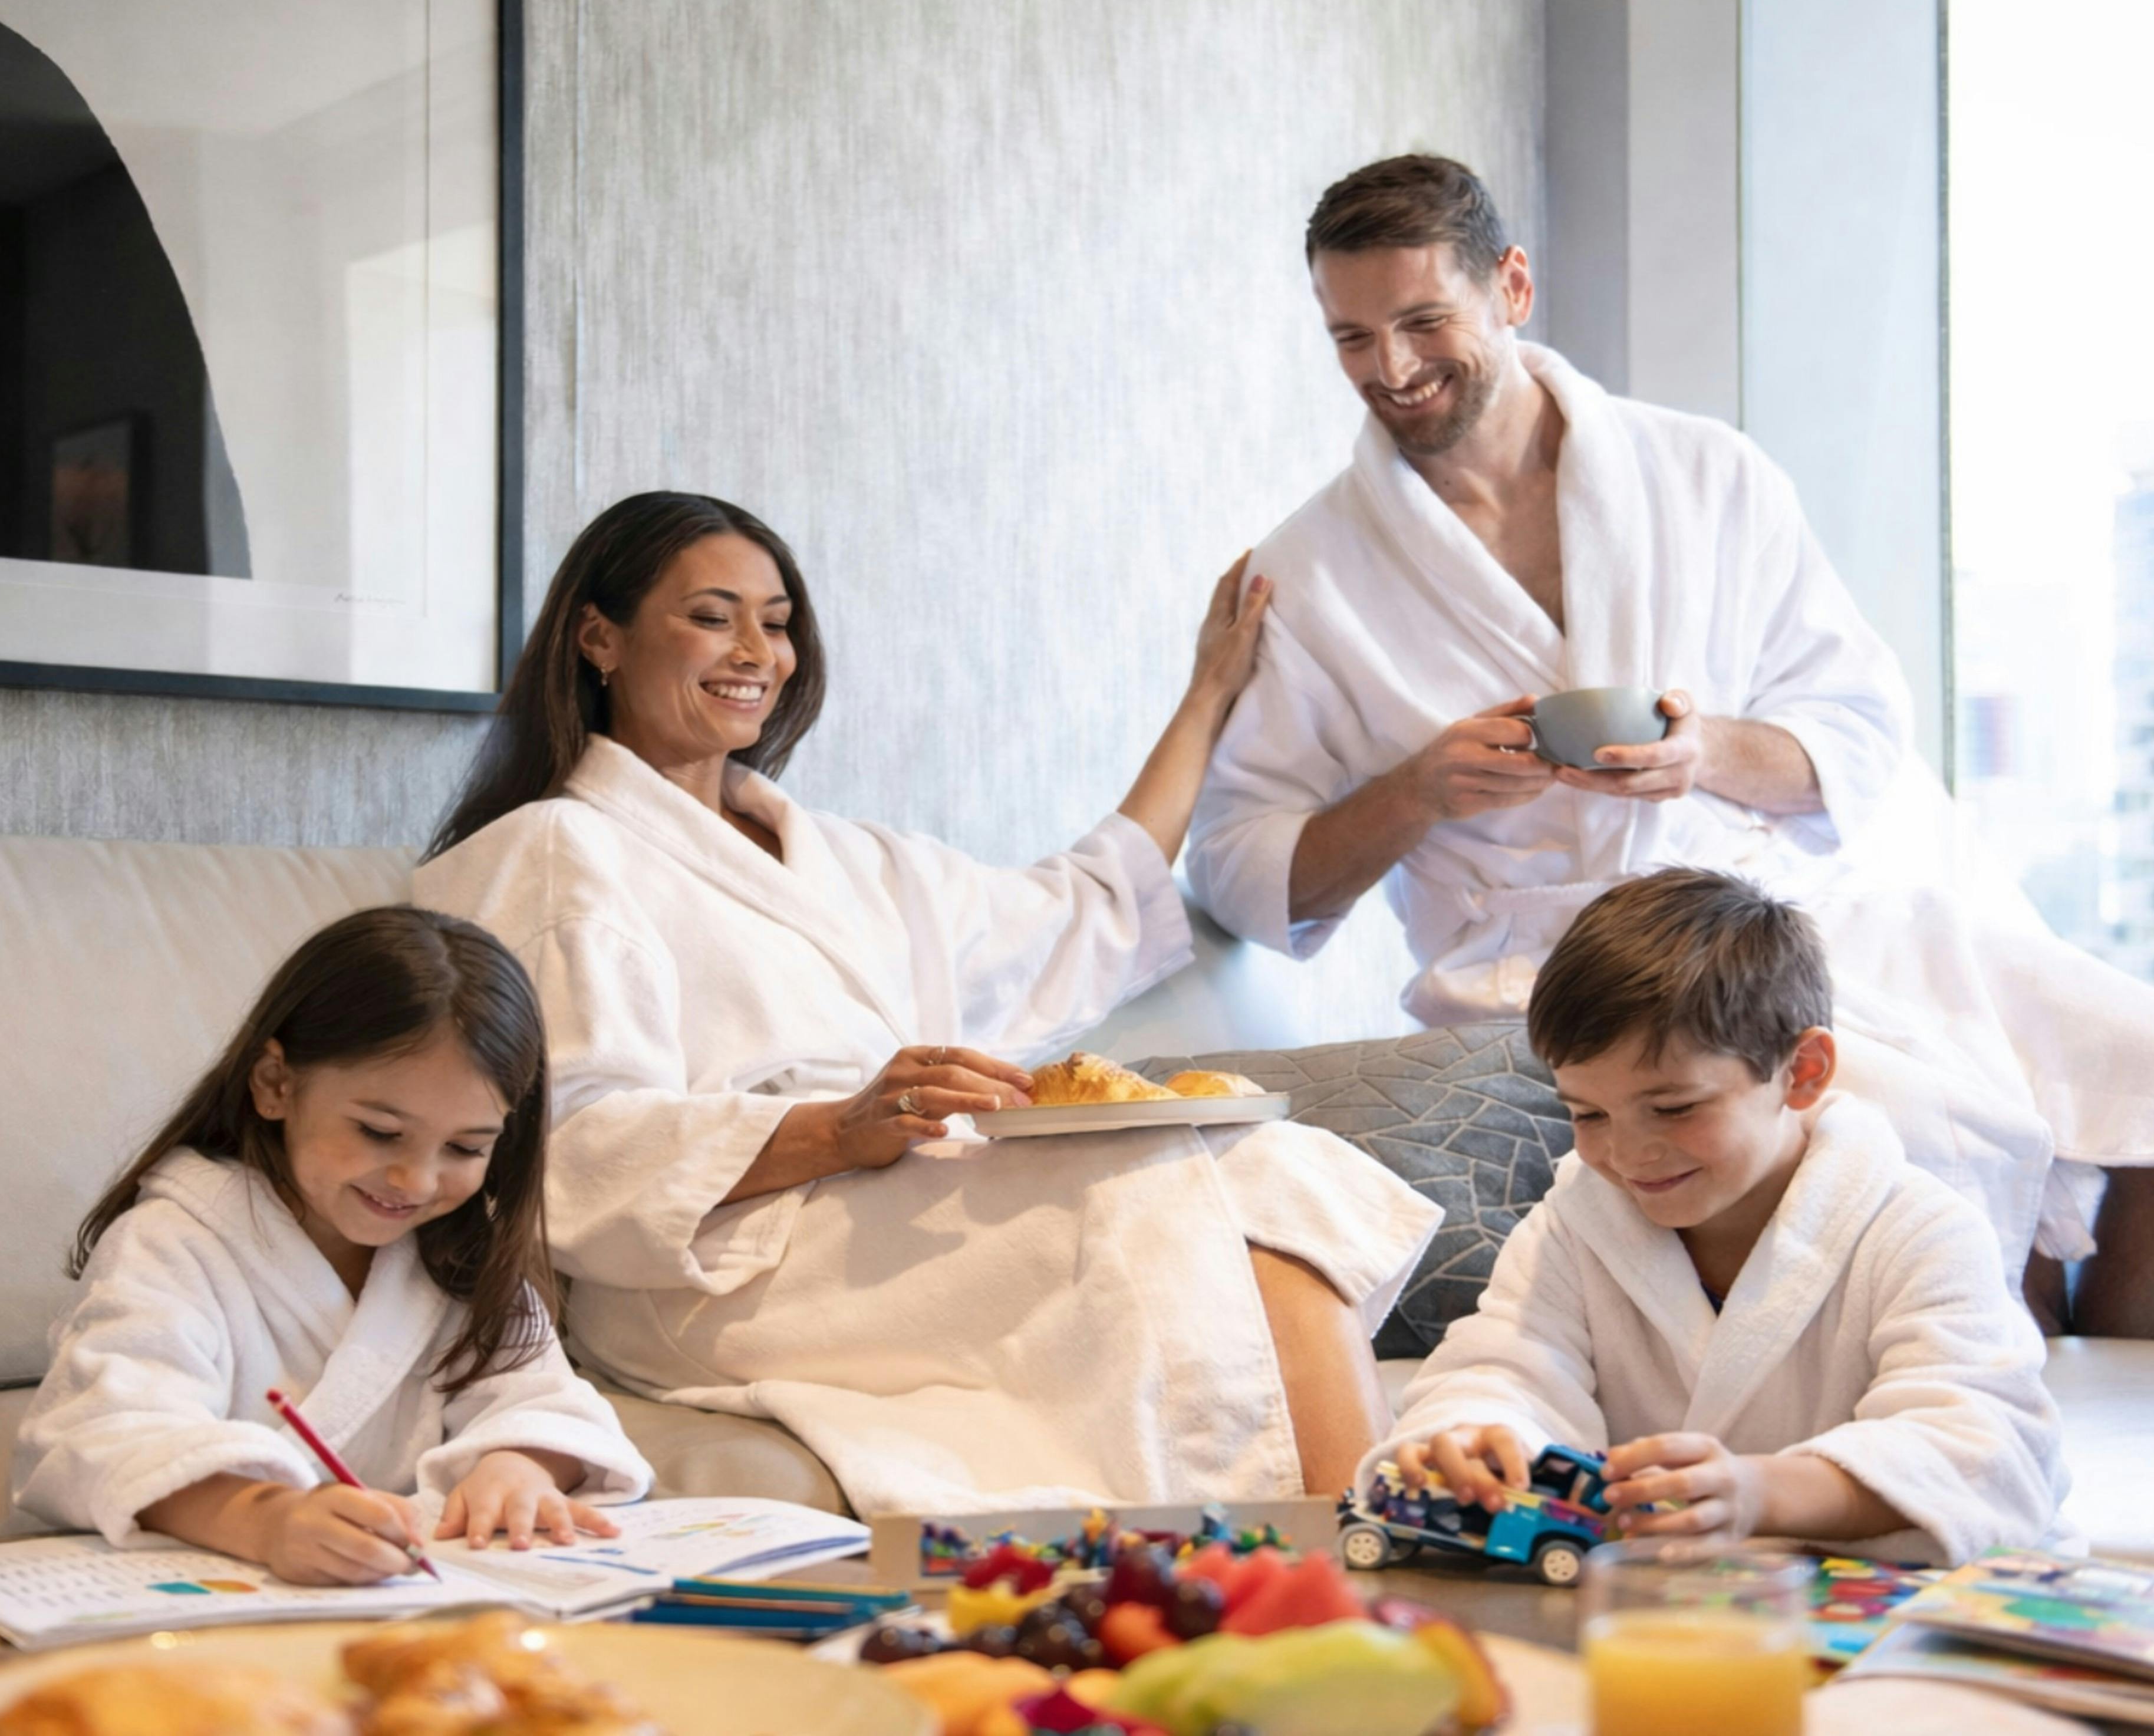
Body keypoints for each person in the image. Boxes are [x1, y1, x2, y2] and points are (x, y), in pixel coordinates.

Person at [1185, 153, 2154, 1343]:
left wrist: (1705, 754)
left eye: (1423, 321)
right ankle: (1996, 1426)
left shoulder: (1706, 476)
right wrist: (1416, 793)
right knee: (1925, 1143)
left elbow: (1856, 731)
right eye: (1351, 338)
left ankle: (2112, 1430)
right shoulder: (1310, 574)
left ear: (1513, 287)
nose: (1391, 369)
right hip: (1562, 969)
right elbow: (1239, 872)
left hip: (1794, 917)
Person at [412, 492, 1440, 1516]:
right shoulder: (553, 851)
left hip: (885, 1205)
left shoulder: (848, 859)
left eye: (777, 623)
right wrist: (835, 1130)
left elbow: (1094, 906)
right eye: (712, 617)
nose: (756, 653)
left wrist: (1210, 692)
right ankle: (1362, 1552)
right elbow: (568, 1150)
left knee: (1268, 1164)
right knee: (1178, 1197)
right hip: (711, 1270)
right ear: (600, 637)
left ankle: (1350, 1544)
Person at [1374, 870, 2068, 1565]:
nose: (1626, 1153)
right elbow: (1507, 1367)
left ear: (1802, 1071)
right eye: (1587, 1114)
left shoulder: (1921, 1231)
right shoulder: (1576, 1224)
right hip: (1665, 1595)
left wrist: (1762, 1494)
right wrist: (1474, 1436)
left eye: (1674, 1108)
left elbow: (1977, 1445)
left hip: (1890, 1592)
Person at [8, 907, 652, 1583]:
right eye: (380, 1132)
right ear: (275, 1084)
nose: (416, 1180)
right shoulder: (170, 1245)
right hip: (191, 1588)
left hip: (390, 1597)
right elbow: (106, 1437)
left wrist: (519, 1467)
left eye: (465, 1148)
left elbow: (546, 1407)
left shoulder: (463, 1261)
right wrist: (266, 1520)